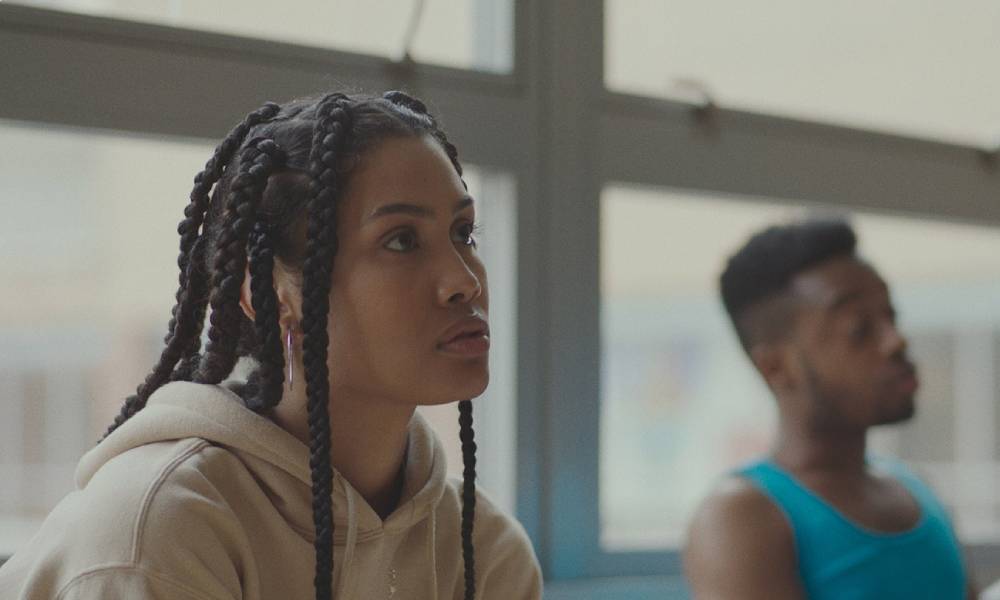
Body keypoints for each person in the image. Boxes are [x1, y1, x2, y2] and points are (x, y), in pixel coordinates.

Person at [0, 91, 541, 600]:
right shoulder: (158, 532)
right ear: (276, 294)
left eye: (463, 233)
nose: (464, 280)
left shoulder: (485, 550)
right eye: (402, 241)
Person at [683, 219, 976, 599]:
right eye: (859, 329)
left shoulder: (917, 491)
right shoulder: (741, 518)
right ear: (777, 367)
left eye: (891, 317)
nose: (896, 341)